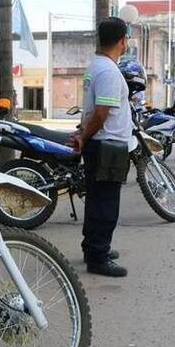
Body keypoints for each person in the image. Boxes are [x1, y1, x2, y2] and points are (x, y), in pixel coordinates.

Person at [69, 17, 130, 278]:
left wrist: (85, 135)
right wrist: (84, 136)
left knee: (97, 199)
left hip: (102, 143)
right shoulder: (108, 71)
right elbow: (102, 112)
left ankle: (93, 248)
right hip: (108, 145)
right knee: (106, 203)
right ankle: (98, 256)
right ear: (123, 41)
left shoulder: (98, 65)